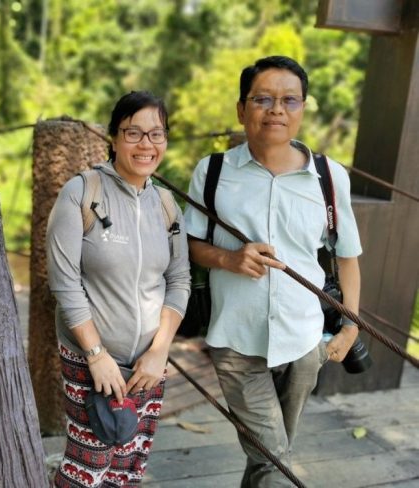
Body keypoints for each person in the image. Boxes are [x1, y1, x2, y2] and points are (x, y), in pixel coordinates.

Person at [184, 56, 362, 487]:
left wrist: (351, 326)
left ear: (302, 108)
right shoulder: (213, 171)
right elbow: (190, 245)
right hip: (235, 338)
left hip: (304, 341)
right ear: (241, 109)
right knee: (274, 458)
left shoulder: (329, 177)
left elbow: (347, 257)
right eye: (262, 99)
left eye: (289, 100)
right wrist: (229, 259)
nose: (276, 110)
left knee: (268, 456)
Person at [47, 91, 190, 487]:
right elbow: (64, 282)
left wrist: (159, 352)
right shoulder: (82, 192)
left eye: (156, 134)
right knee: (88, 467)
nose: (146, 144)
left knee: (129, 466)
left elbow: (179, 280)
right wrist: (96, 355)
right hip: (90, 357)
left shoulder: (166, 204)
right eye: (133, 132)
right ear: (113, 137)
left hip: (148, 365)